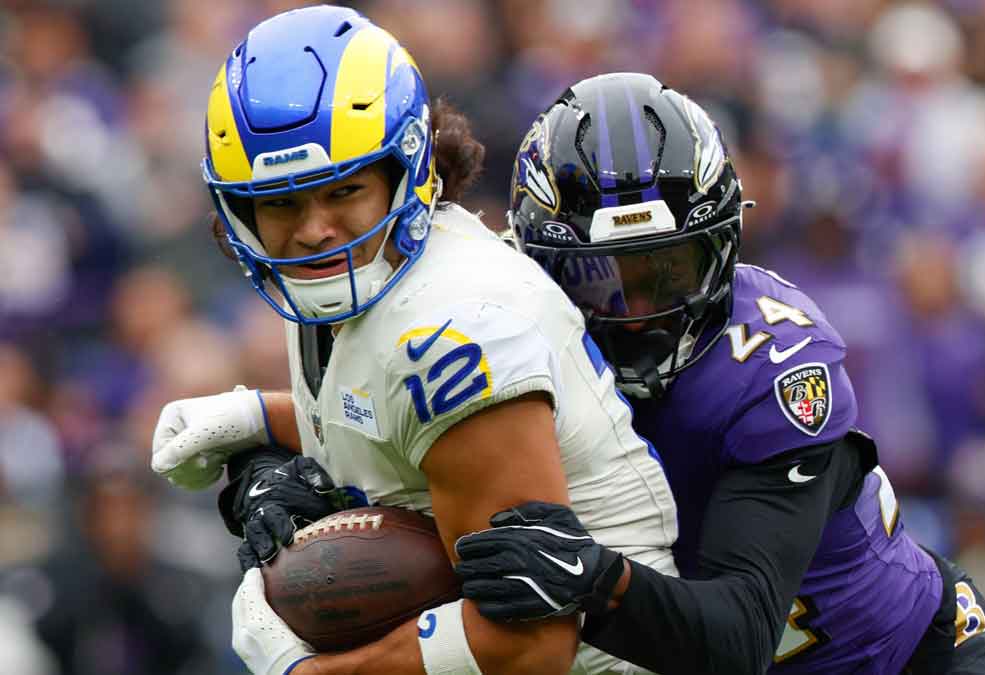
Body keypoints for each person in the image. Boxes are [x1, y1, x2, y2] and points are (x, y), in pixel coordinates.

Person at [453, 73, 985, 675]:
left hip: (900, 657)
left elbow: (737, 639)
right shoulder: (506, 333)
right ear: (539, 262)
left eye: (667, 272)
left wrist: (591, 577)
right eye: (600, 279)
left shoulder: (773, 366)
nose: (638, 316)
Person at [149, 8, 678, 675]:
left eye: (343, 190)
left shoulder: (453, 332)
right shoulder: (360, 273)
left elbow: (534, 641)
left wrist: (303, 672)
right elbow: (385, 418)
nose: (314, 230)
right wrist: (260, 415)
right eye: (280, 203)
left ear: (407, 169)